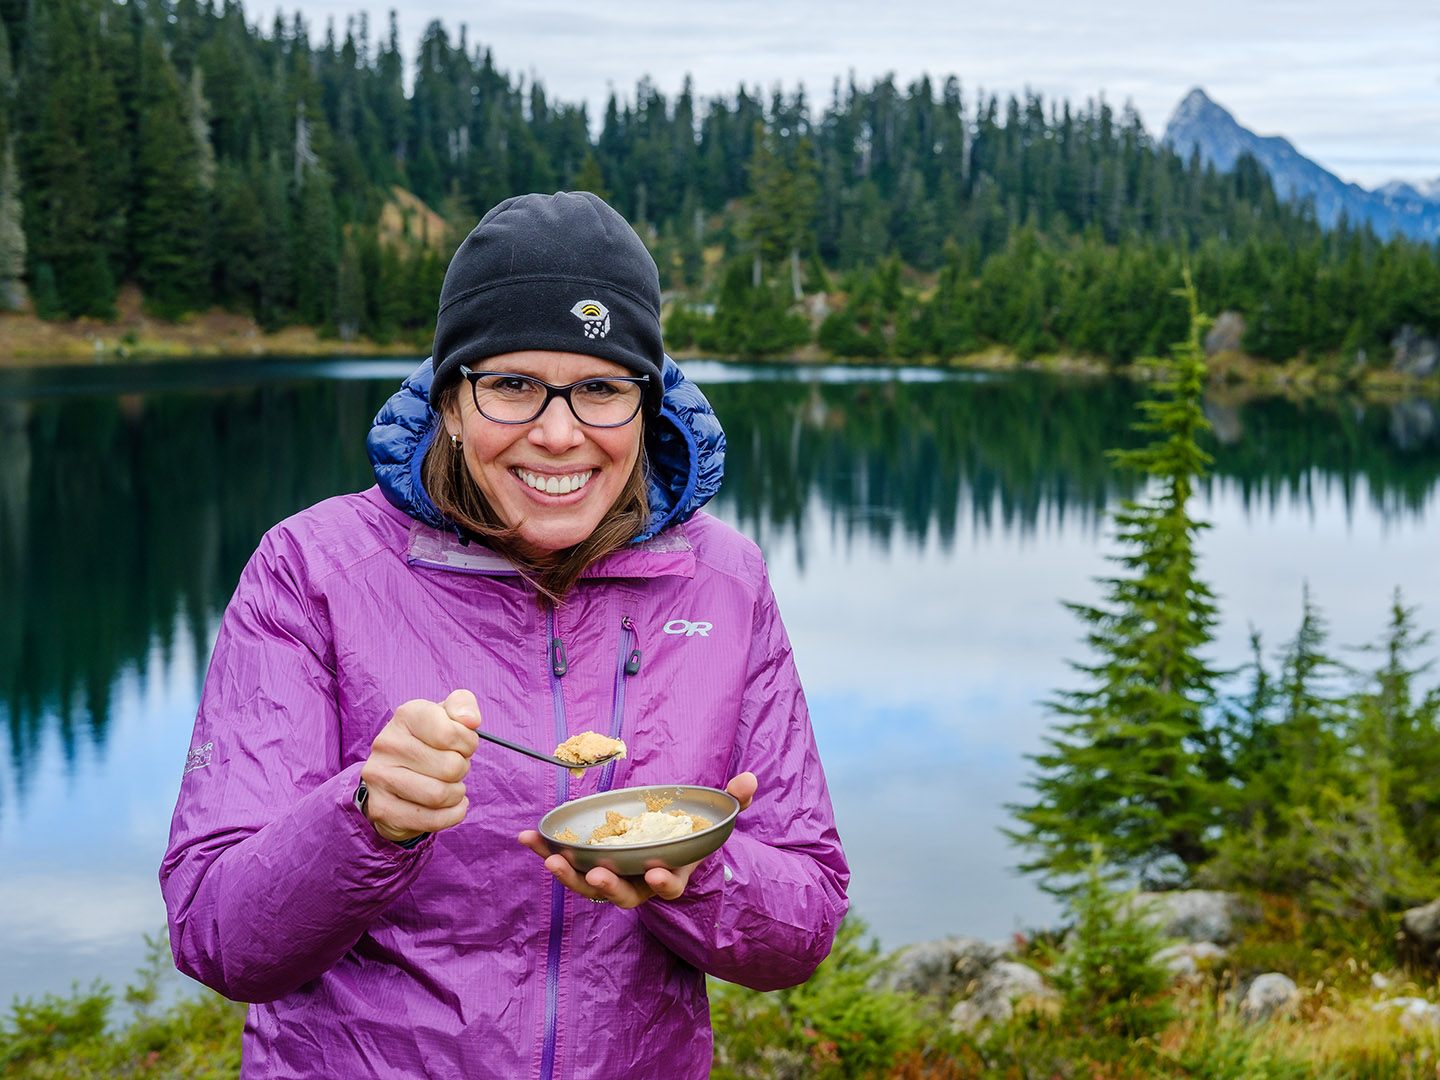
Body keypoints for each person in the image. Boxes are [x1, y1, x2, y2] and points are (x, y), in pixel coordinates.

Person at [160, 190, 849, 1079]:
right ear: (449, 400)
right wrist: (369, 820)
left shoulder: (725, 581)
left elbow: (803, 930)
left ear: (648, 407)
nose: (559, 434)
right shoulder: (314, 571)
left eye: (601, 389)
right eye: (513, 385)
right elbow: (221, 938)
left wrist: (694, 870)